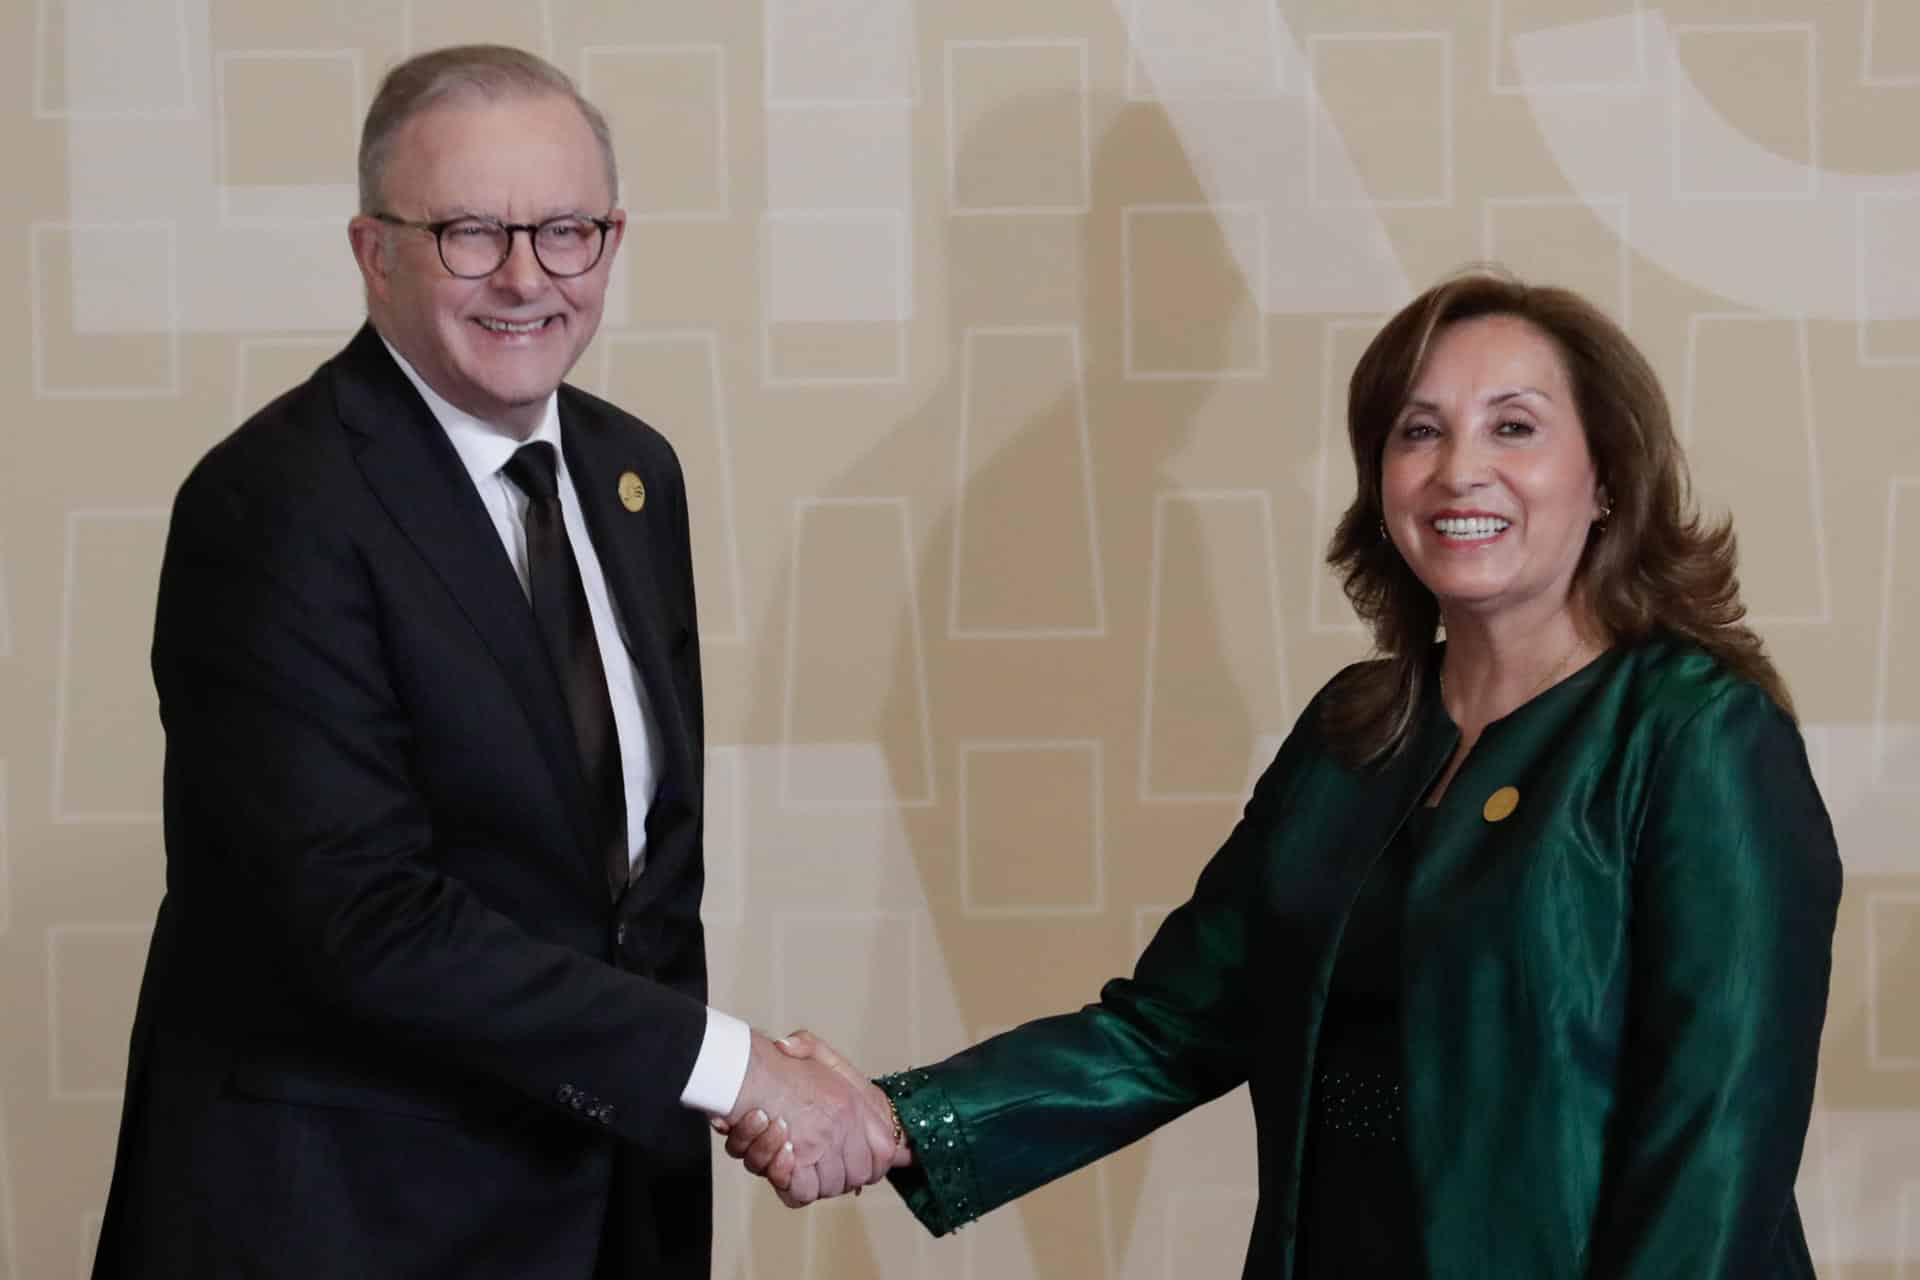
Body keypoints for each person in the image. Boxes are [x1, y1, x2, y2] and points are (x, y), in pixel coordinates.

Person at [725, 269, 1843, 1277]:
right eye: (1419, 431)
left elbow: (1718, 1142)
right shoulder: (1354, 734)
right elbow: (1170, 1025)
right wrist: (900, 1116)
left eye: (1515, 427)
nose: (1461, 469)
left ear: (1607, 477)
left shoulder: (1698, 737)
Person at [92, 45, 893, 1280]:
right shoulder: (275, 506)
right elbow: (361, 918)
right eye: (471, 232)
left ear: (612, 242)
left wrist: (702, 1107)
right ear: (373, 250)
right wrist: (738, 1067)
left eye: (566, 230)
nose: (526, 277)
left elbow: (634, 897)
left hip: (604, 1209)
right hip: (347, 1224)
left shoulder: (635, 475)